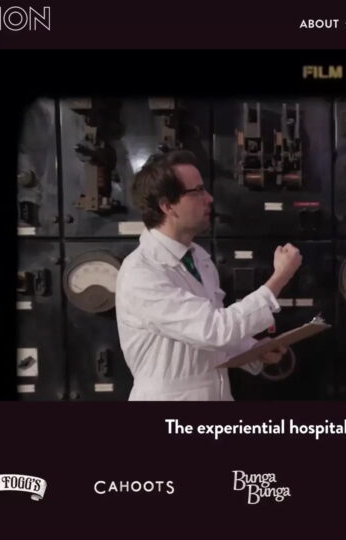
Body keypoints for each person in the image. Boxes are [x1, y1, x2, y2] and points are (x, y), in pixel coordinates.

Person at [116, 150, 302, 400]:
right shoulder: (142, 272)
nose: (210, 198)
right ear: (167, 206)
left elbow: (207, 339)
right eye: (198, 191)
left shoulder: (198, 258)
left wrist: (254, 349)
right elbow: (214, 330)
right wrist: (279, 278)